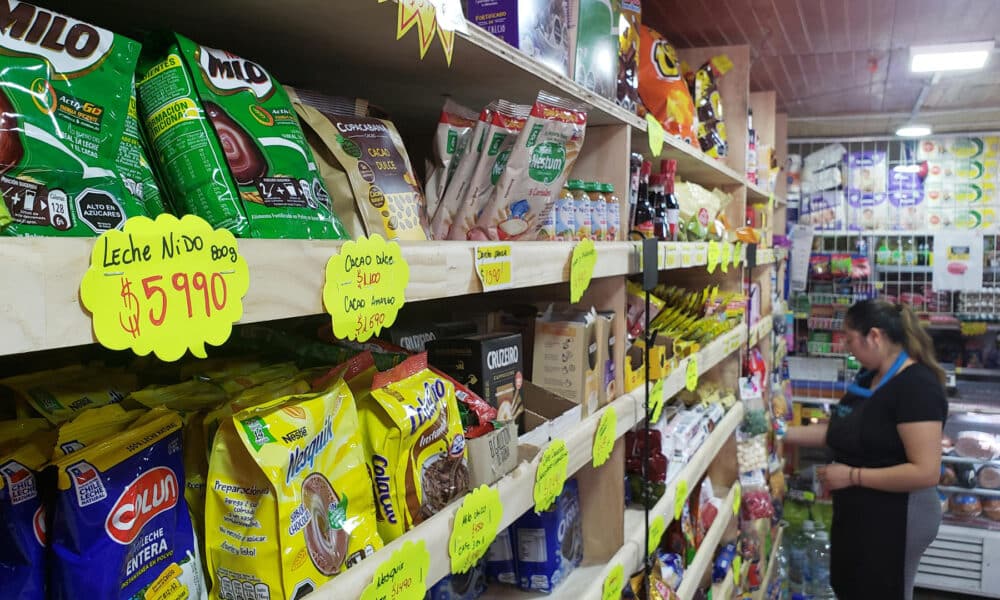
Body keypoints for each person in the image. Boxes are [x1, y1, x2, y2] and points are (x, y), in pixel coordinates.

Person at [785, 300, 947, 600]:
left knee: (881, 590)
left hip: (898, 516)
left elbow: (925, 472)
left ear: (874, 336)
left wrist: (853, 476)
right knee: (851, 585)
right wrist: (781, 433)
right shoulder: (869, 379)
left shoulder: (916, 387)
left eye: (849, 339)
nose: (847, 347)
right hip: (862, 512)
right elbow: (839, 433)